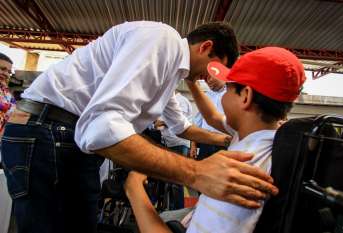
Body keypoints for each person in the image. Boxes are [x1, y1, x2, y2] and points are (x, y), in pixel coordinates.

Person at [1, 21, 278, 233]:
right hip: (48, 130)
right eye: (215, 68)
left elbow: (180, 127)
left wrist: (224, 141)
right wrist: (196, 172)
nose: (211, 77)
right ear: (205, 47)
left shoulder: (170, 72)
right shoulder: (162, 40)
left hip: (64, 136)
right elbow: (101, 127)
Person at [124, 47, 306, 233]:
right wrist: (192, 82)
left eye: (228, 88)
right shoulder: (262, 136)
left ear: (245, 96)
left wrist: (134, 188)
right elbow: (213, 117)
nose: (223, 95)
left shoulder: (240, 171)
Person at [194, 73, 226, 159]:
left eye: (209, 77)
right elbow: (197, 122)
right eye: (205, 79)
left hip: (224, 143)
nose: (208, 81)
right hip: (206, 143)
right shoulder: (206, 96)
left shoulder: (231, 94)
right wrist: (193, 145)